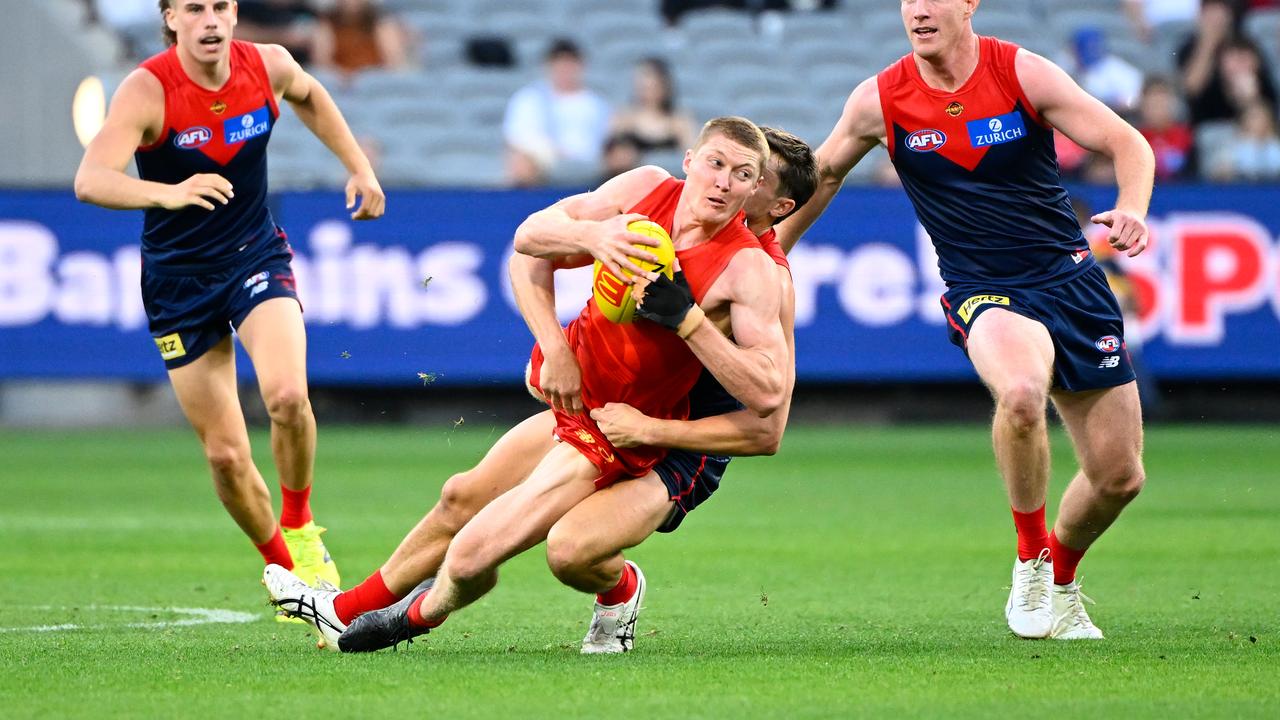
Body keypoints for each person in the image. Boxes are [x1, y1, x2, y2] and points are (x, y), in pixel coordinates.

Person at [266, 118, 796, 652]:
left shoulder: (751, 269)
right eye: (716, 163)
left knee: (549, 552)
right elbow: (527, 244)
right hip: (584, 400)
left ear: (758, 192)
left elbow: (768, 402)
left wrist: (688, 323)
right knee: (459, 497)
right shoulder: (644, 191)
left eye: (742, 173)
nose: (724, 181)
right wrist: (564, 332)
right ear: (689, 160)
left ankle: (419, 616)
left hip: (627, 434)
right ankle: (344, 610)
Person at [776, 0, 1155, 640]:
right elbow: (824, 174)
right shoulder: (880, 99)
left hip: (1072, 281)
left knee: (1119, 477)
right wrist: (768, 255)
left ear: (969, 4)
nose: (918, 10)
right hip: (985, 289)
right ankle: (1030, 560)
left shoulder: (1020, 73)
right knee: (1022, 395)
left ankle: (1060, 581)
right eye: (908, 0)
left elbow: (1127, 141)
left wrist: (1133, 208)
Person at [74, 0, 385, 605]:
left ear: (235, 13)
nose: (210, 20)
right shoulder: (148, 89)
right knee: (225, 455)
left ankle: (300, 527)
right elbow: (91, 179)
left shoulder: (266, 66)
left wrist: (359, 168)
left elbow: (311, 96)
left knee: (289, 398)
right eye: (194, 9)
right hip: (178, 282)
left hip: (253, 257)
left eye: (220, 6)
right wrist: (170, 192)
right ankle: (288, 576)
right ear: (171, 20)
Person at [503, 39, 614, 187]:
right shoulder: (530, 98)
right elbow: (518, 136)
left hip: (593, 164)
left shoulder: (597, 104)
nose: (565, 71)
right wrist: (552, 152)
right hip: (545, 164)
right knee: (520, 161)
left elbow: (608, 137)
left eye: (570, 65)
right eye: (560, 65)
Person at [609, 58, 698, 156]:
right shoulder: (624, 119)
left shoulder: (679, 121)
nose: (648, 90)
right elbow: (612, 155)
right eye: (643, 86)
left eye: (653, 85)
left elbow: (691, 156)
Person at [312, 0, 411, 76]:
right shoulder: (326, 24)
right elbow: (323, 63)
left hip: (375, 81)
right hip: (341, 85)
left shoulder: (381, 24)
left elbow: (393, 62)